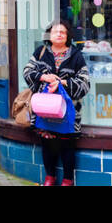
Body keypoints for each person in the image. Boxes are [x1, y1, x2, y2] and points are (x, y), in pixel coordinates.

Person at [22, 20, 90, 186]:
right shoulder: (41, 52)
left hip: (69, 110)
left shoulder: (76, 55)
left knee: (67, 145)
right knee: (47, 143)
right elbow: (27, 72)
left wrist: (63, 83)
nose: (59, 34)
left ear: (68, 36)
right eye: (55, 31)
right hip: (45, 109)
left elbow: (85, 83)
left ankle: (67, 180)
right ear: (49, 35)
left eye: (63, 32)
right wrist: (44, 77)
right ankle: (50, 177)